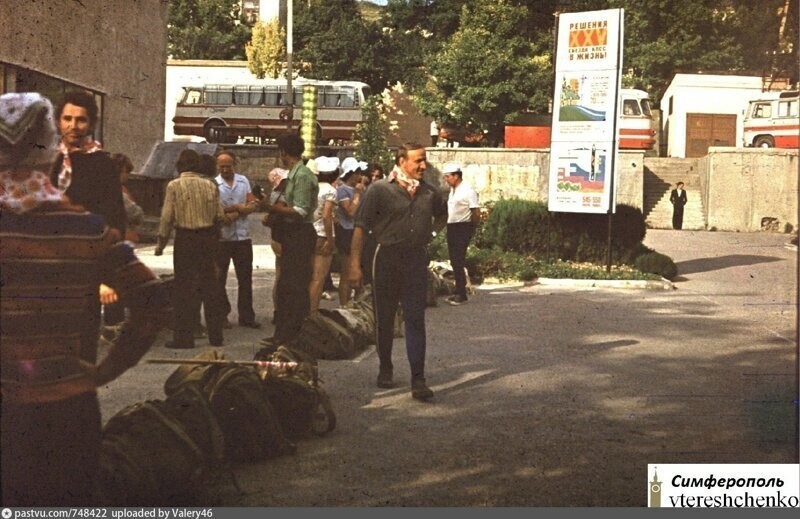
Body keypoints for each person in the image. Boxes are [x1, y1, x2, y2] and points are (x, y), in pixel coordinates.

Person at [0, 92, 167, 505]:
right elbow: (152, 301)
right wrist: (105, 370)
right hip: (70, 411)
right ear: (49, 150)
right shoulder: (88, 229)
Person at [348, 143, 447, 401]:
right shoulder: (379, 190)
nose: (423, 166)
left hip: (415, 260)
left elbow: (441, 216)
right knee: (385, 317)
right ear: (402, 161)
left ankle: (418, 379)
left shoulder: (429, 193)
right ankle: (385, 367)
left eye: (424, 161)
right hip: (385, 259)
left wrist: (431, 234)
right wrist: (354, 265)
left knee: (415, 319)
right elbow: (360, 227)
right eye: (418, 161)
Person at [155, 149, 226, 348]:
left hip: (185, 239)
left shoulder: (174, 186)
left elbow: (167, 218)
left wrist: (160, 244)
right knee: (210, 286)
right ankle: (216, 336)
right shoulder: (210, 185)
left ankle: (184, 337)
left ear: (179, 165)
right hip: (207, 237)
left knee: (184, 289)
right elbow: (219, 215)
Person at [264, 133, 318, 343]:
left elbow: (301, 211)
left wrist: (271, 208)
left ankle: (293, 334)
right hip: (290, 234)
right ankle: (283, 332)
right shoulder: (294, 175)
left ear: (283, 152)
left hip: (300, 233)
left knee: (295, 286)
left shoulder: (302, 175)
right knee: (287, 285)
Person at [214, 150, 261, 329]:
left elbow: (252, 204)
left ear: (234, 165)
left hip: (242, 236)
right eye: (222, 166)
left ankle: (247, 316)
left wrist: (240, 208)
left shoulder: (243, 181)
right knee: (220, 279)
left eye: (228, 166)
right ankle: (222, 315)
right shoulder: (214, 184)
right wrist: (235, 211)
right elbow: (216, 210)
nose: (225, 169)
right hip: (223, 237)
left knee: (245, 278)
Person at [102, 153, 145, 326]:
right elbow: (136, 213)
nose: (127, 176)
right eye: (126, 172)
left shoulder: (99, 188)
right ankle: (115, 320)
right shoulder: (118, 191)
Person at [442, 162, 481, 306]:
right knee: (454, 260)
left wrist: (471, 228)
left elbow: (475, 212)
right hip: (452, 226)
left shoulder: (468, 190)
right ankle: (458, 290)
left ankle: (462, 294)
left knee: (458, 260)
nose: (446, 180)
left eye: (447, 177)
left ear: (456, 176)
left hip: (462, 227)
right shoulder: (453, 190)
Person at [309, 156, 339, 312]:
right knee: (318, 278)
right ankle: (312, 313)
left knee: (308, 276)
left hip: (308, 233)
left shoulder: (311, 187)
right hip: (322, 233)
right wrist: (330, 238)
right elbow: (327, 215)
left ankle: (304, 311)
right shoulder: (330, 191)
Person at [262, 167, 289, 327]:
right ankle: (280, 311)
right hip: (281, 237)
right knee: (282, 277)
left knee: (281, 276)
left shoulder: (274, 195)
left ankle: (279, 311)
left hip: (277, 236)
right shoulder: (280, 197)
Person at [336, 157, 364, 306]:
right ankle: (344, 305)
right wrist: (358, 195)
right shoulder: (342, 190)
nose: (360, 176)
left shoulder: (358, 189)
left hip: (358, 231)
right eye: (357, 172)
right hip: (346, 232)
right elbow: (350, 212)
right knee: (346, 273)